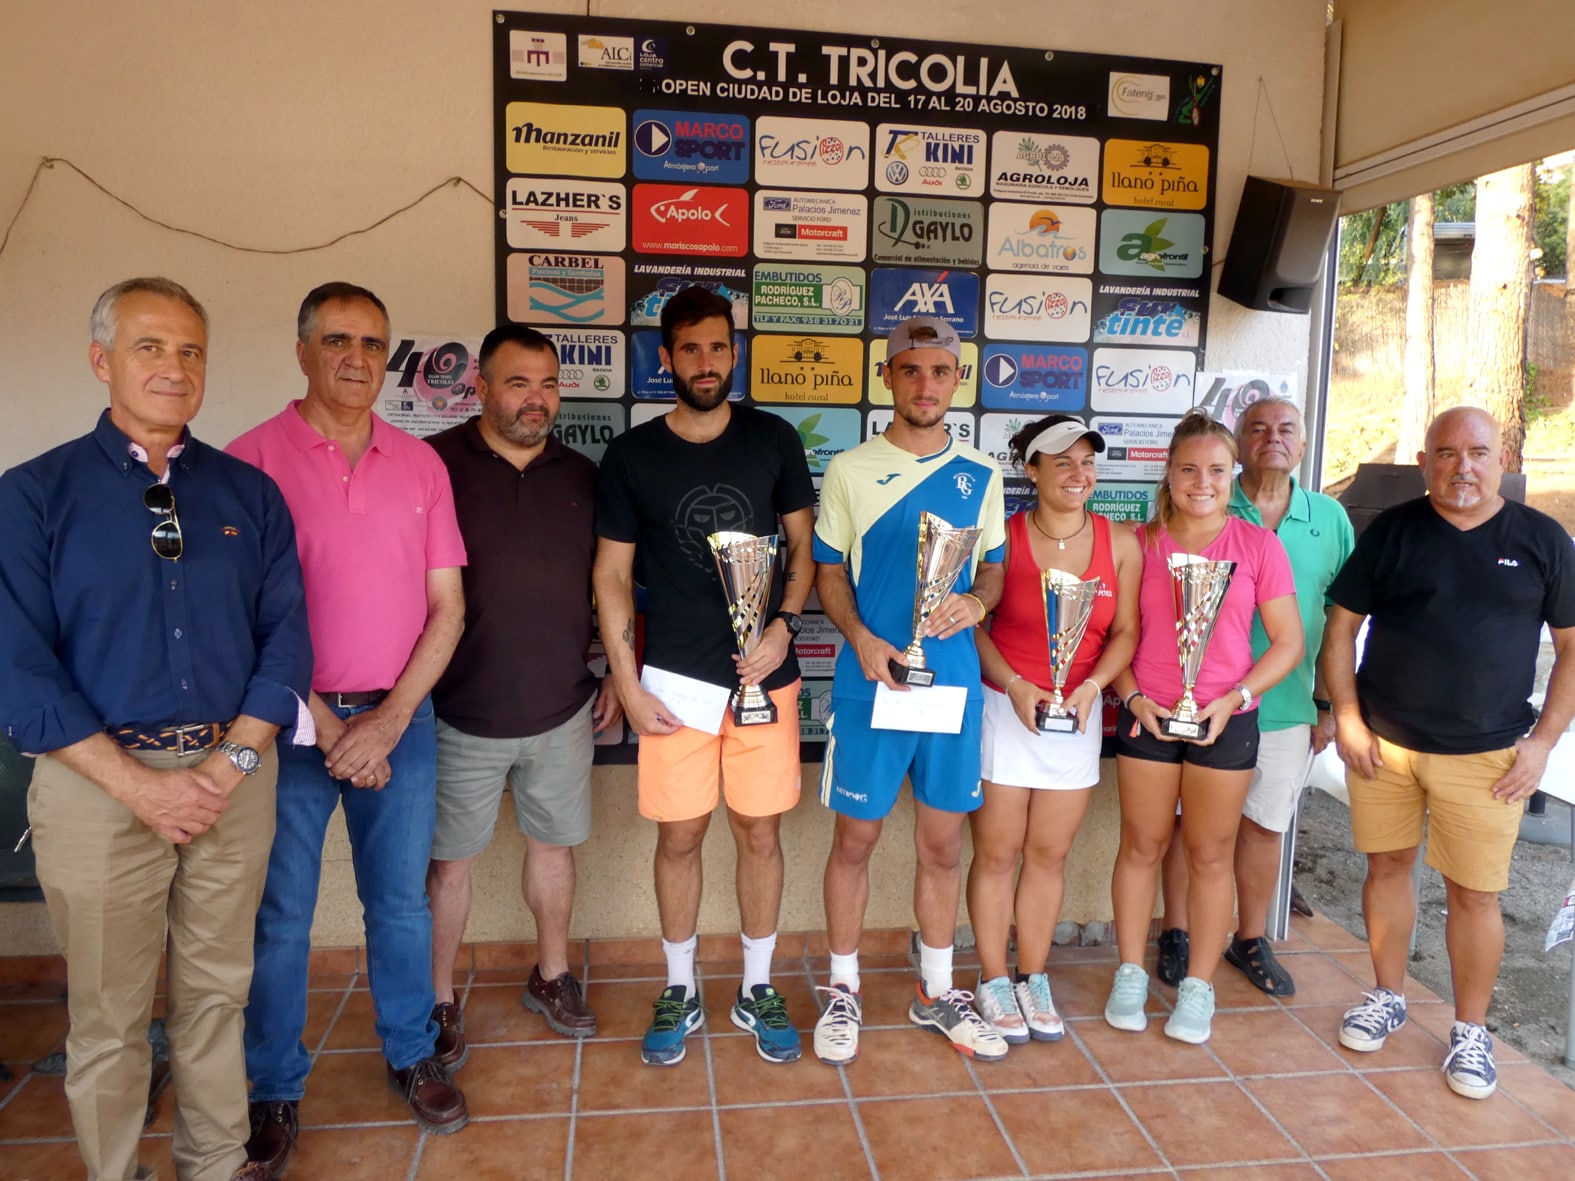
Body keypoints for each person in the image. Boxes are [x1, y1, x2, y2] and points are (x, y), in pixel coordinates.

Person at [0, 277, 311, 1181]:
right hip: (97, 787)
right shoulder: (32, 496)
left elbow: (286, 638)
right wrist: (140, 785)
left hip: (231, 776)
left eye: (189, 350)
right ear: (102, 360)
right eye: (149, 347)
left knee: (218, 995)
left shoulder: (248, 494)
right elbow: (19, 669)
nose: (173, 367)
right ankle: (115, 1170)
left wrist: (234, 761)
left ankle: (213, 1162)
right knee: (108, 1011)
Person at [229, 282, 470, 1172]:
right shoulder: (246, 462)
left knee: (400, 904)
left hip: (400, 717)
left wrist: (392, 716)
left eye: (373, 343)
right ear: (302, 351)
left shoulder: (421, 465)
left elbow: (447, 607)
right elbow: (241, 620)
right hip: (286, 725)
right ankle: (273, 1087)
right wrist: (330, 725)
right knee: (282, 914)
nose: (356, 358)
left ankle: (411, 1052)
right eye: (337, 340)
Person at [592, 286, 815, 1067]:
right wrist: (626, 680)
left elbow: (801, 550)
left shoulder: (774, 440)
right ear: (666, 360)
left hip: (766, 678)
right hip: (675, 684)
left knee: (759, 831)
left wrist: (782, 625)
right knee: (680, 835)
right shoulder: (631, 456)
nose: (706, 361)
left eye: (717, 346)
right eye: (689, 349)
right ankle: (680, 987)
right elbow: (612, 576)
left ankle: (756, 987)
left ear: (734, 352)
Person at [1324, 405, 1575, 1099]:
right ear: (1424, 460)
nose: (1461, 465)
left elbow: (1572, 651)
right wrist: (1345, 716)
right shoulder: (1393, 532)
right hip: (1385, 744)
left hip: (1489, 756)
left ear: (1500, 458)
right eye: (1445, 452)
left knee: (1474, 892)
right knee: (1385, 868)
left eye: (1476, 452)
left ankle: (1470, 1030)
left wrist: (1543, 742)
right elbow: (1340, 629)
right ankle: (1386, 994)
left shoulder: (1542, 539)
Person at [811, 315, 1009, 1067]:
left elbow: (990, 568)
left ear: (956, 381)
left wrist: (979, 603)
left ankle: (934, 990)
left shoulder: (981, 475)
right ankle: (841, 987)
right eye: (911, 369)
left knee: (941, 843)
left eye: (940, 371)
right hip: (872, 683)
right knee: (855, 839)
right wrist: (860, 637)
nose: (925, 384)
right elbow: (828, 571)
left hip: (950, 685)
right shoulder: (849, 470)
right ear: (887, 376)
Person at [424, 325, 621, 1053]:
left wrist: (616, 670)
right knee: (448, 864)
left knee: (553, 850)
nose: (536, 400)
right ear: (479, 386)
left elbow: (617, 582)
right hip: (456, 710)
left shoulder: (582, 474)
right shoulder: (432, 465)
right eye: (517, 383)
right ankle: (439, 999)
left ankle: (552, 973)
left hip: (561, 706)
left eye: (548, 384)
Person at [1105, 409, 1302, 1045]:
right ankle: (1131, 972)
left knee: (1211, 853)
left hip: (1227, 722)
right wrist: (1131, 697)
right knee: (1141, 846)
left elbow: (1288, 643)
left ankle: (1198, 987)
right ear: (1169, 471)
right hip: (1149, 716)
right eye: (1189, 469)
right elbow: (1116, 637)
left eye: (1216, 470)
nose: (1202, 481)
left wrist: (1236, 696)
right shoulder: (1140, 543)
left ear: (1233, 473)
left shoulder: (1258, 546)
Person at [1153, 398, 1354, 996]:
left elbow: (1338, 621)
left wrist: (1327, 703)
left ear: (1303, 443)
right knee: (1191, 829)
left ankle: (1250, 937)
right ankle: (1179, 932)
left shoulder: (1330, 519)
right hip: (1200, 701)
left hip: (1286, 705)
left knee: (1265, 827)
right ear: (1238, 442)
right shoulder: (1202, 499)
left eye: (1286, 429)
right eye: (1258, 428)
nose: (1273, 439)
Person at [965, 414, 1140, 1045]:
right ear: (1031, 470)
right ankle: (991, 979)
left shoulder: (1120, 542)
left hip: (1078, 717)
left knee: (1048, 855)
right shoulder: (1002, 537)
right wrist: (1015, 686)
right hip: (1003, 708)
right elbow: (973, 625)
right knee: (997, 853)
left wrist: (1092, 688)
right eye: (1061, 461)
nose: (1078, 473)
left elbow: (1126, 634)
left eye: (1087, 461)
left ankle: (1032, 977)